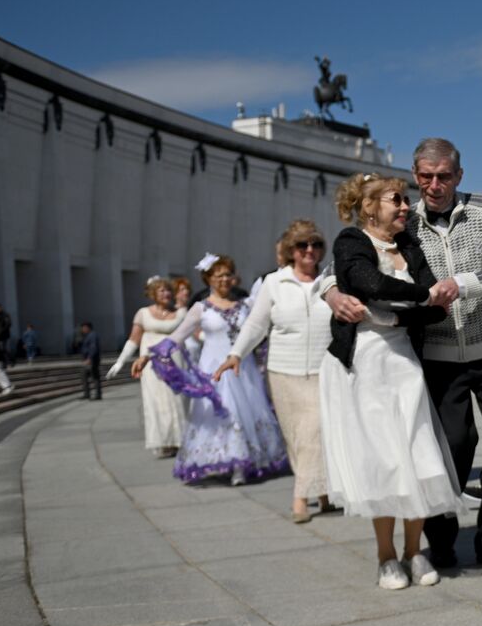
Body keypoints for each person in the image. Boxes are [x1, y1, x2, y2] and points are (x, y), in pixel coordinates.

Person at [324, 139, 482, 572]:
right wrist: (331, 293)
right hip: (435, 354)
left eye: (444, 176)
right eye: (426, 176)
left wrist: (461, 283)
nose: (434, 185)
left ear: (459, 175)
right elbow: (339, 267)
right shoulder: (401, 217)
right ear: (415, 176)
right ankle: (440, 541)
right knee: (450, 445)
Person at [320, 174, 461, 589]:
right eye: (395, 200)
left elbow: (438, 310)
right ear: (369, 207)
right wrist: (422, 295)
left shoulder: (410, 247)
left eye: (404, 200)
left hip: (403, 359)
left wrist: (395, 314)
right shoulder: (351, 241)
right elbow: (368, 282)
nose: (404, 207)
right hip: (366, 361)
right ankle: (386, 556)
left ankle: (414, 550)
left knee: (418, 454)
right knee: (384, 459)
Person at [215, 221, 336, 523]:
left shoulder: (330, 280)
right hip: (284, 371)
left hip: (326, 369)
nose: (310, 250)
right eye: (303, 245)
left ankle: (300, 497)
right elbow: (256, 325)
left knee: (315, 431)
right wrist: (236, 354)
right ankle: (320, 494)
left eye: (316, 244)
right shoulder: (274, 282)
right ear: (291, 251)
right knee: (298, 436)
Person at [150, 254, 289, 485]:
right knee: (228, 412)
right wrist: (150, 355)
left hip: (244, 370)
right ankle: (235, 462)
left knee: (248, 412)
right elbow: (178, 335)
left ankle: (248, 461)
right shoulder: (200, 308)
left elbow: (262, 321)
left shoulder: (246, 304)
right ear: (208, 279)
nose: (224, 279)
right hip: (214, 370)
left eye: (228, 274)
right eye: (218, 275)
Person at [106, 277, 187, 456]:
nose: (166, 293)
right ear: (152, 294)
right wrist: (121, 361)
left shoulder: (181, 313)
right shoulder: (143, 313)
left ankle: (180, 439)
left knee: (177, 400)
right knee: (155, 401)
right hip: (150, 363)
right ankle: (163, 442)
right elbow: (134, 339)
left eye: (168, 290)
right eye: (161, 291)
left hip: (175, 361)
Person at [78, 322, 101, 399]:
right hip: (90, 360)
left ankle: (97, 395)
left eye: (83, 328)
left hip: (92, 360)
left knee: (95, 377)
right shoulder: (88, 336)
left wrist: (89, 358)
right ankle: (87, 394)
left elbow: (93, 348)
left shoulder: (92, 335)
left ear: (88, 328)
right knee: (85, 376)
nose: (82, 329)